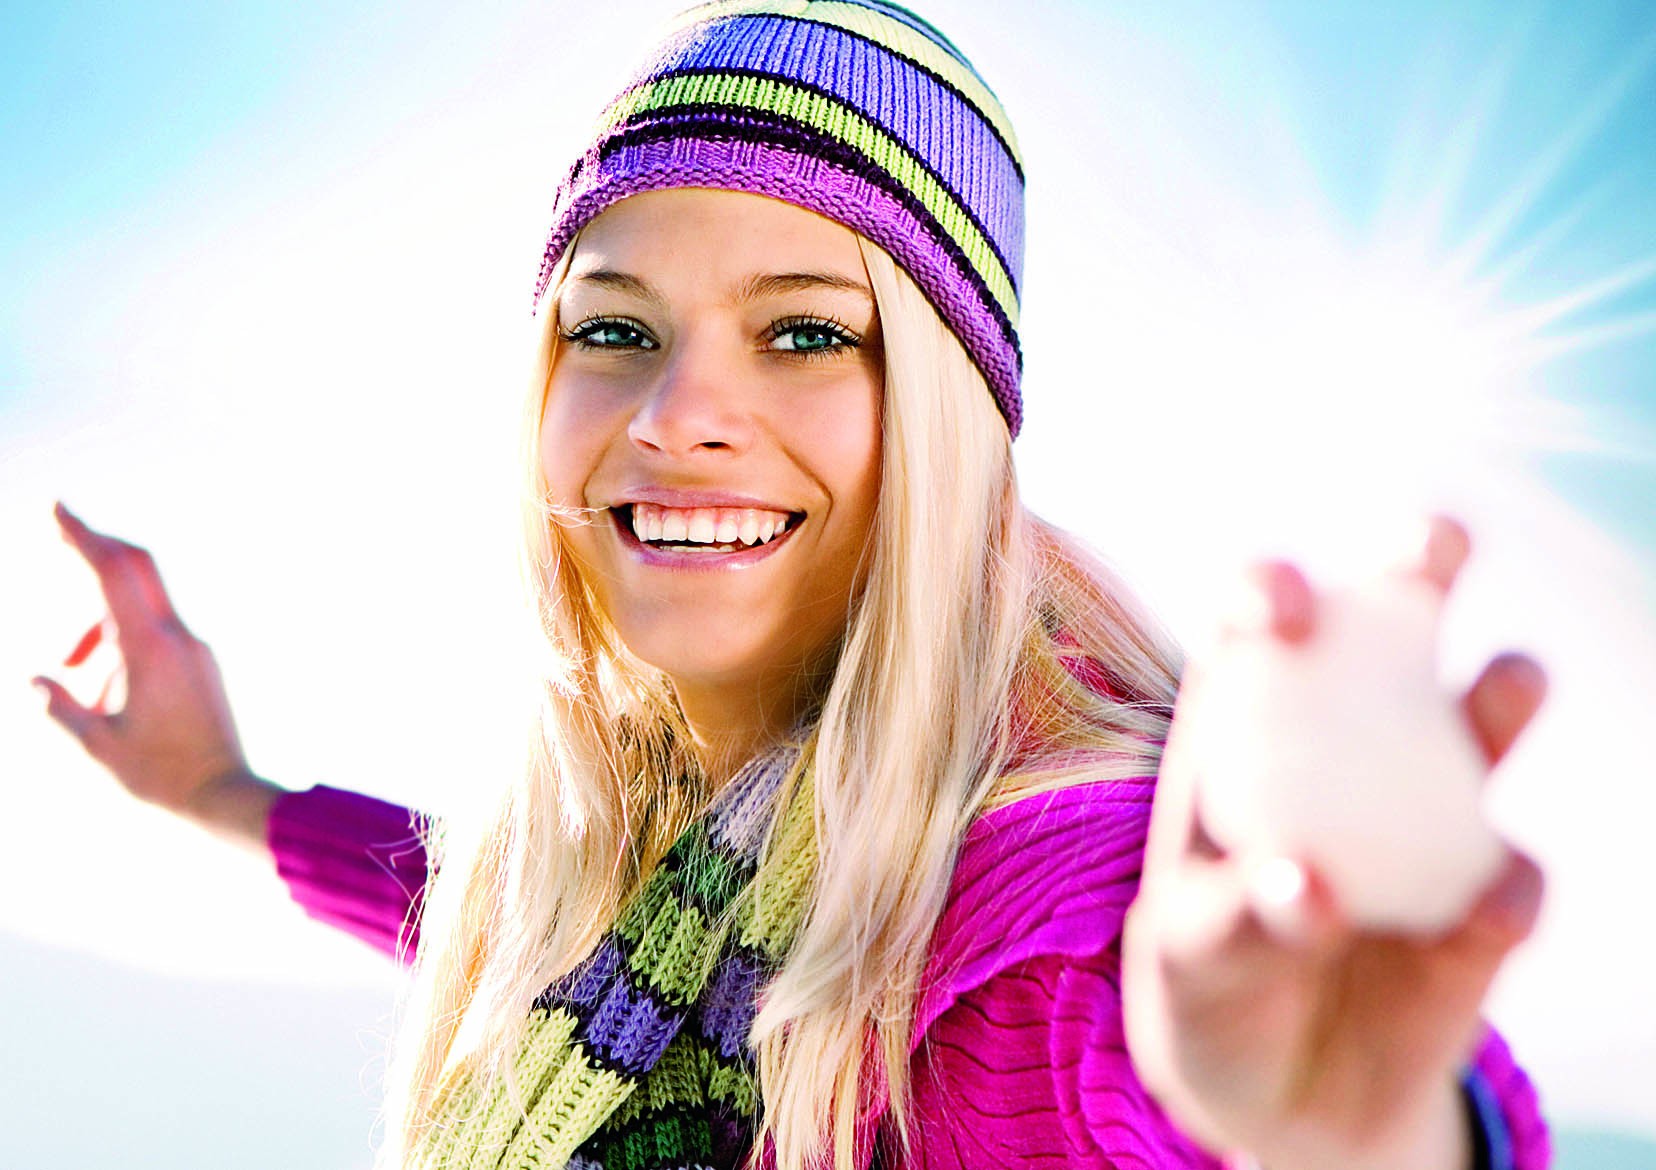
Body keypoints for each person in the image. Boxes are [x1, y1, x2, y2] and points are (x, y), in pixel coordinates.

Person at [34, 2, 1551, 1168]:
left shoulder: (1050, 911)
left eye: (809, 331)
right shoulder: (696, 824)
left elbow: (1165, 1068)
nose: (677, 412)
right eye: (614, 328)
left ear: (947, 412)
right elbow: (502, 919)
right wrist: (217, 791)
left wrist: (1359, 1135)